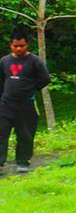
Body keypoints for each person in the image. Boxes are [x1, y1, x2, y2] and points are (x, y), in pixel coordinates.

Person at [0, 30, 51, 173]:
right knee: (1, 133)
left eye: (22, 46)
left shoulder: (35, 61)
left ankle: (23, 162)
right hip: (6, 104)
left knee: (25, 134)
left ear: (27, 45)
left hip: (26, 104)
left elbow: (45, 79)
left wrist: (31, 89)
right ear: (10, 45)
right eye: (15, 46)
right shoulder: (4, 61)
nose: (19, 49)